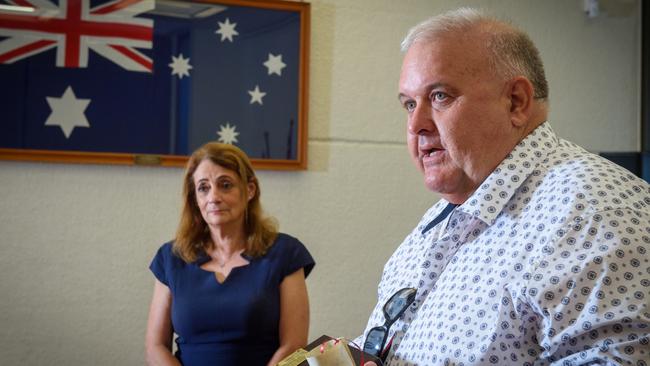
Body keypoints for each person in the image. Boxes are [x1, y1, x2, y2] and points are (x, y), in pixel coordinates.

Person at [360, 7, 650, 366]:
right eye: (408, 104)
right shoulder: (438, 221)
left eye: (439, 97)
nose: (416, 124)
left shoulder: (592, 213)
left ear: (516, 102)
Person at [145, 142, 315, 366]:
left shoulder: (286, 253)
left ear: (250, 190)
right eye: (203, 188)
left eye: (225, 185)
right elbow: (155, 346)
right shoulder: (171, 257)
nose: (214, 197)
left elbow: (294, 345)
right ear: (195, 198)